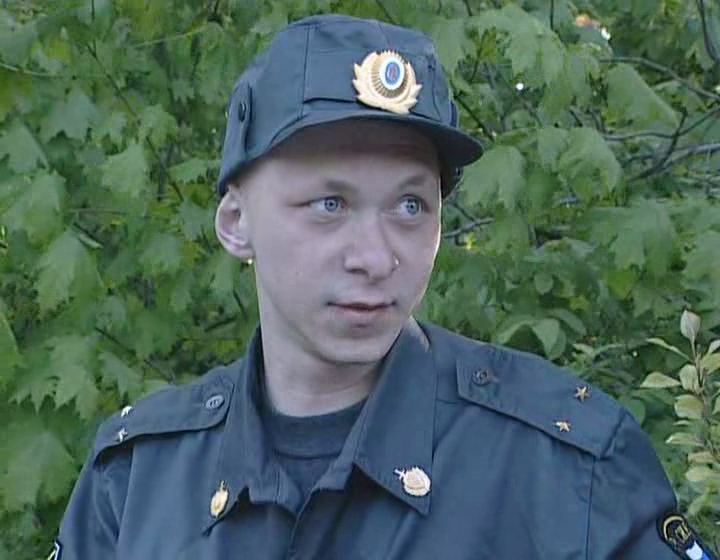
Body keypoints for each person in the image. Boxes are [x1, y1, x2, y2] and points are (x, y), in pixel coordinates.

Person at [53, 13, 716, 560]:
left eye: (409, 206)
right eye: (329, 204)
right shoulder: (136, 481)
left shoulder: (568, 468)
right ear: (235, 223)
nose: (375, 258)